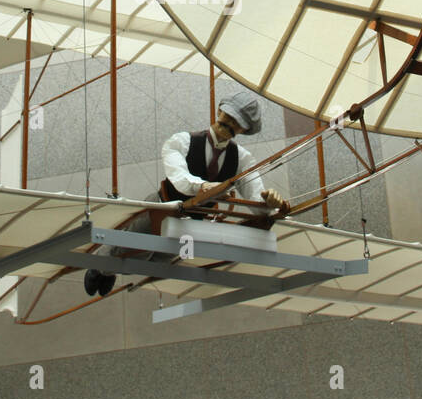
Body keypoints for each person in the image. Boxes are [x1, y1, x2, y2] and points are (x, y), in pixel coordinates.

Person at [84, 90, 289, 297]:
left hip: (192, 224)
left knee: (161, 263)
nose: (230, 124)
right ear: (219, 111)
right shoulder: (182, 141)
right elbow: (179, 177)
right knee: (133, 251)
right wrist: (203, 187)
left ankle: (112, 269)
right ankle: (100, 267)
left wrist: (268, 202)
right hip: (162, 208)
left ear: (244, 129)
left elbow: (255, 198)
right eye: (229, 116)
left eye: (238, 122)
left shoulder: (243, 159)